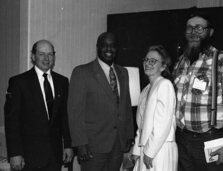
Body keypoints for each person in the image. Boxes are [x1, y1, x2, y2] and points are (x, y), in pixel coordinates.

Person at [172, 11, 223, 171]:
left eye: (199, 28)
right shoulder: (181, 63)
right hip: (182, 140)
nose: (193, 32)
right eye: (190, 28)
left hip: (211, 140)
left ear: (210, 32)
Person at [67, 32, 134, 171]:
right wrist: (80, 144)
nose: (109, 49)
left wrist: (129, 135)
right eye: (105, 45)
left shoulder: (123, 73)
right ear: (97, 47)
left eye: (113, 45)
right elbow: (75, 112)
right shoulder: (82, 72)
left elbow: (126, 106)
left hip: (118, 143)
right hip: (93, 146)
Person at [4, 39, 73, 171]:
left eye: (50, 54)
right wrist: (14, 153)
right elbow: (12, 121)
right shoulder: (19, 82)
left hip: (54, 156)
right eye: (41, 54)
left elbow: (64, 117)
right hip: (28, 157)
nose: (46, 58)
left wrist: (68, 145)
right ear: (33, 56)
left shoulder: (62, 82)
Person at [131, 45, 178, 171]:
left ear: (163, 66)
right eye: (146, 60)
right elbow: (141, 126)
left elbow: (162, 124)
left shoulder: (165, 85)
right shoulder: (145, 90)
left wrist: (150, 152)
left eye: (153, 61)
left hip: (160, 149)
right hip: (146, 148)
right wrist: (136, 149)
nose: (148, 63)